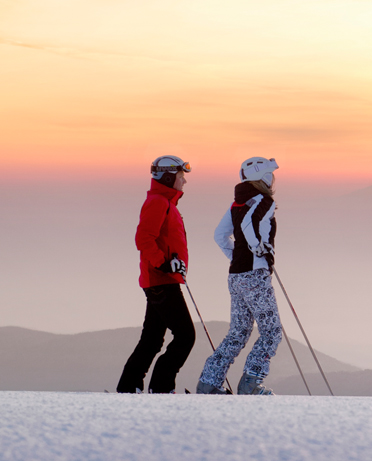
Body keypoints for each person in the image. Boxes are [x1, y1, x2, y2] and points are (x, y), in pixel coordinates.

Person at [196, 156, 283, 395]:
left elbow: (219, 235)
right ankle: (251, 384)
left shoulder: (237, 203)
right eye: (270, 174)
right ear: (263, 176)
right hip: (255, 275)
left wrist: (236, 256)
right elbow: (247, 223)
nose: (273, 178)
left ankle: (209, 383)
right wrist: (257, 248)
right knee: (272, 332)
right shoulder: (263, 200)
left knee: (239, 332)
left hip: (236, 276)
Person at [115, 155, 197, 394]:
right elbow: (143, 238)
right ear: (169, 178)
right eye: (181, 176)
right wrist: (164, 264)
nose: (184, 181)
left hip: (162, 279)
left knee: (152, 339)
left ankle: (129, 387)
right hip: (161, 281)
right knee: (185, 336)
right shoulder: (159, 202)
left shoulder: (166, 203)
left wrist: (172, 265)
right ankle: (161, 388)